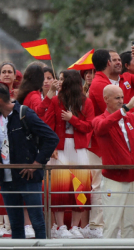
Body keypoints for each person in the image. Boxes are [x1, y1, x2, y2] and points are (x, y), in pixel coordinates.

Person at [0, 82, 57, 239]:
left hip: (28, 178)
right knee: (15, 225)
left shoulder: (25, 114)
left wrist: (37, 164)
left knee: (37, 222)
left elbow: (52, 138)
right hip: (6, 179)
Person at [91, 84, 134, 238]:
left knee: (131, 225)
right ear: (106, 99)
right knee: (112, 224)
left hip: (133, 178)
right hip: (114, 179)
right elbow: (102, 127)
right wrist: (126, 108)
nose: (121, 101)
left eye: (122, 97)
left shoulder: (130, 118)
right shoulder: (98, 120)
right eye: (117, 98)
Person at [40, 69, 96, 238]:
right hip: (60, 148)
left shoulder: (86, 102)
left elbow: (89, 126)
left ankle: (75, 226)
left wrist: (72, 119)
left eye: (62, 79)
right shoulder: (56, 100)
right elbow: (46, 124)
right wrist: (51, 148)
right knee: (59, 187)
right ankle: (60, 226)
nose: (59, 81)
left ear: (70, 81)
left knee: (81, 186)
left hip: (79, 148)